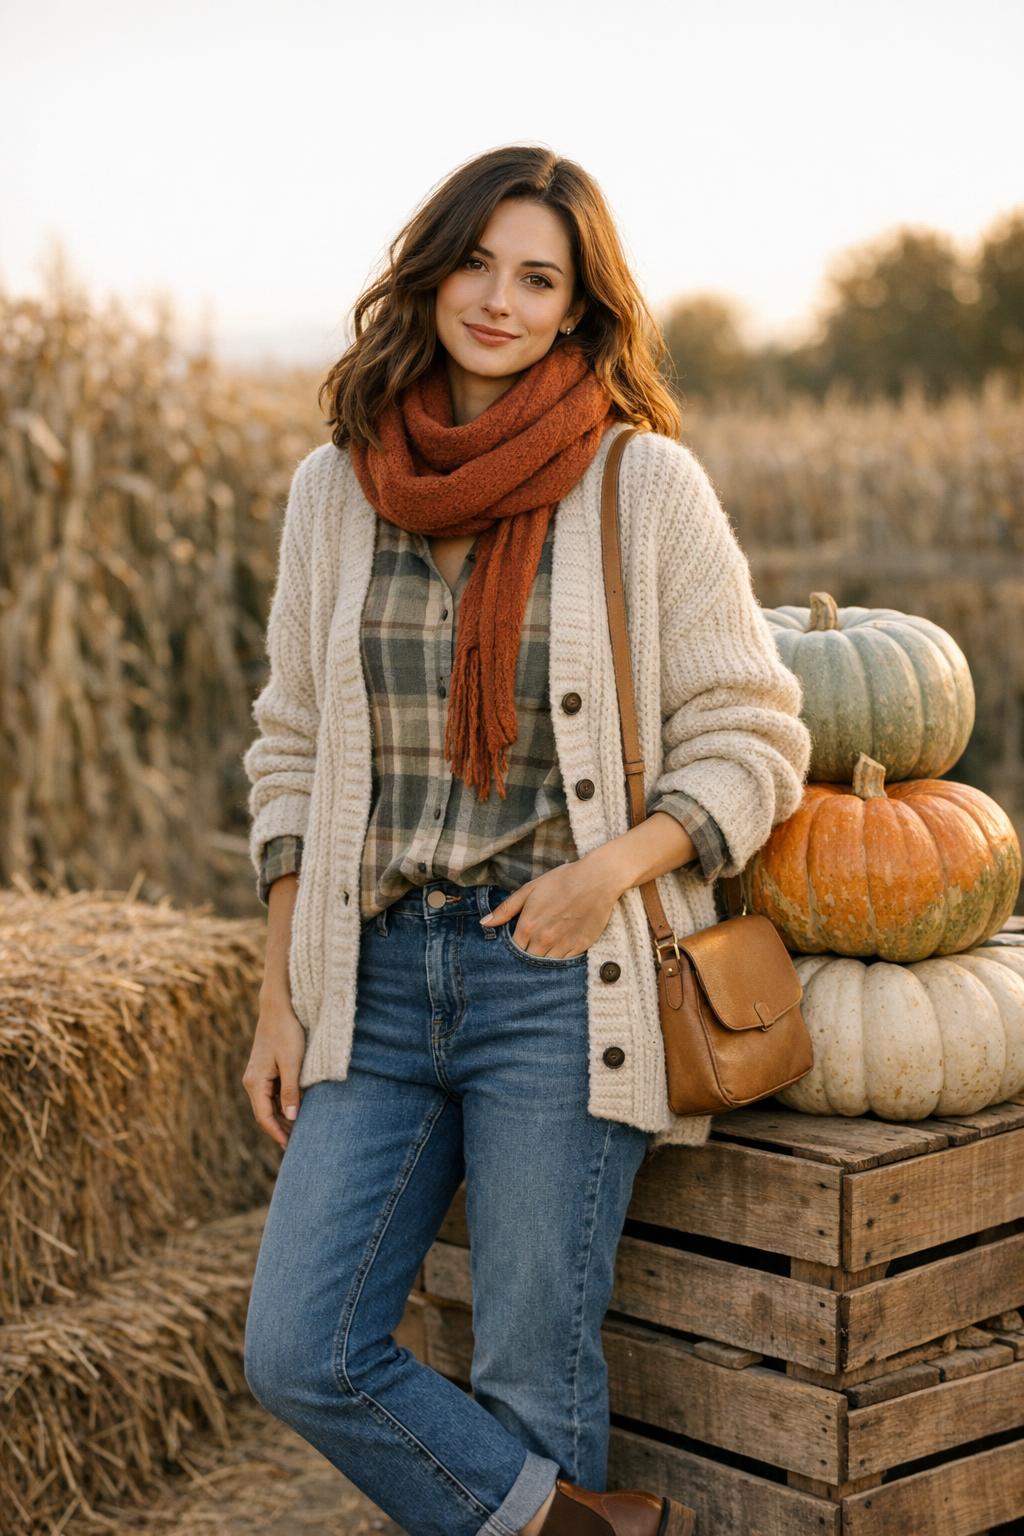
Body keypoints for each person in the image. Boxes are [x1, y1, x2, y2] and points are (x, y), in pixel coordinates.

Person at [240, 144, 811, 1536]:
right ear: (431, 269)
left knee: (527, 1382)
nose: (498, 298)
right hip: (372, 985)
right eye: (478, 262)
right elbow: (294, 748)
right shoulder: (337, 488)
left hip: (563, 986)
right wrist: (278, 992)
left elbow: (756, 733)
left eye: (538, 277)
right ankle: (597, 1531)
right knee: (300, 1350)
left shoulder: (639, 487)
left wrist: (605, 874)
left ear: (578, 309)